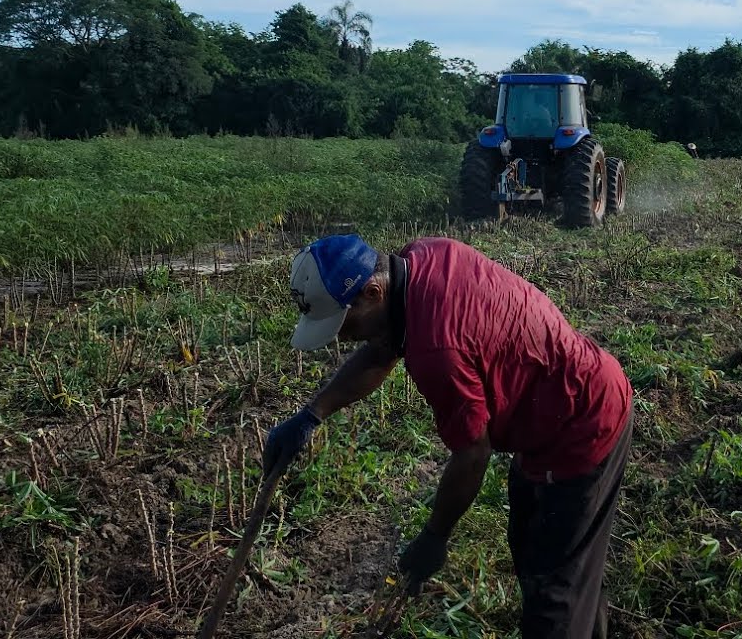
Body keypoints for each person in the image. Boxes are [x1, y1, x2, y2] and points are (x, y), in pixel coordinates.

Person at [264, 234, 634, 638]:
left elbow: (472, 455)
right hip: (547, 410)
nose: (342, 338)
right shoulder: (420, 257)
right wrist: (310, 415)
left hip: (582, 422)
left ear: (372, 291)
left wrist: (434, 536)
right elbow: (381, 348)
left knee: (554, 595)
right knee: (539, 553)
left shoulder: (437, 349)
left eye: (343, 324)